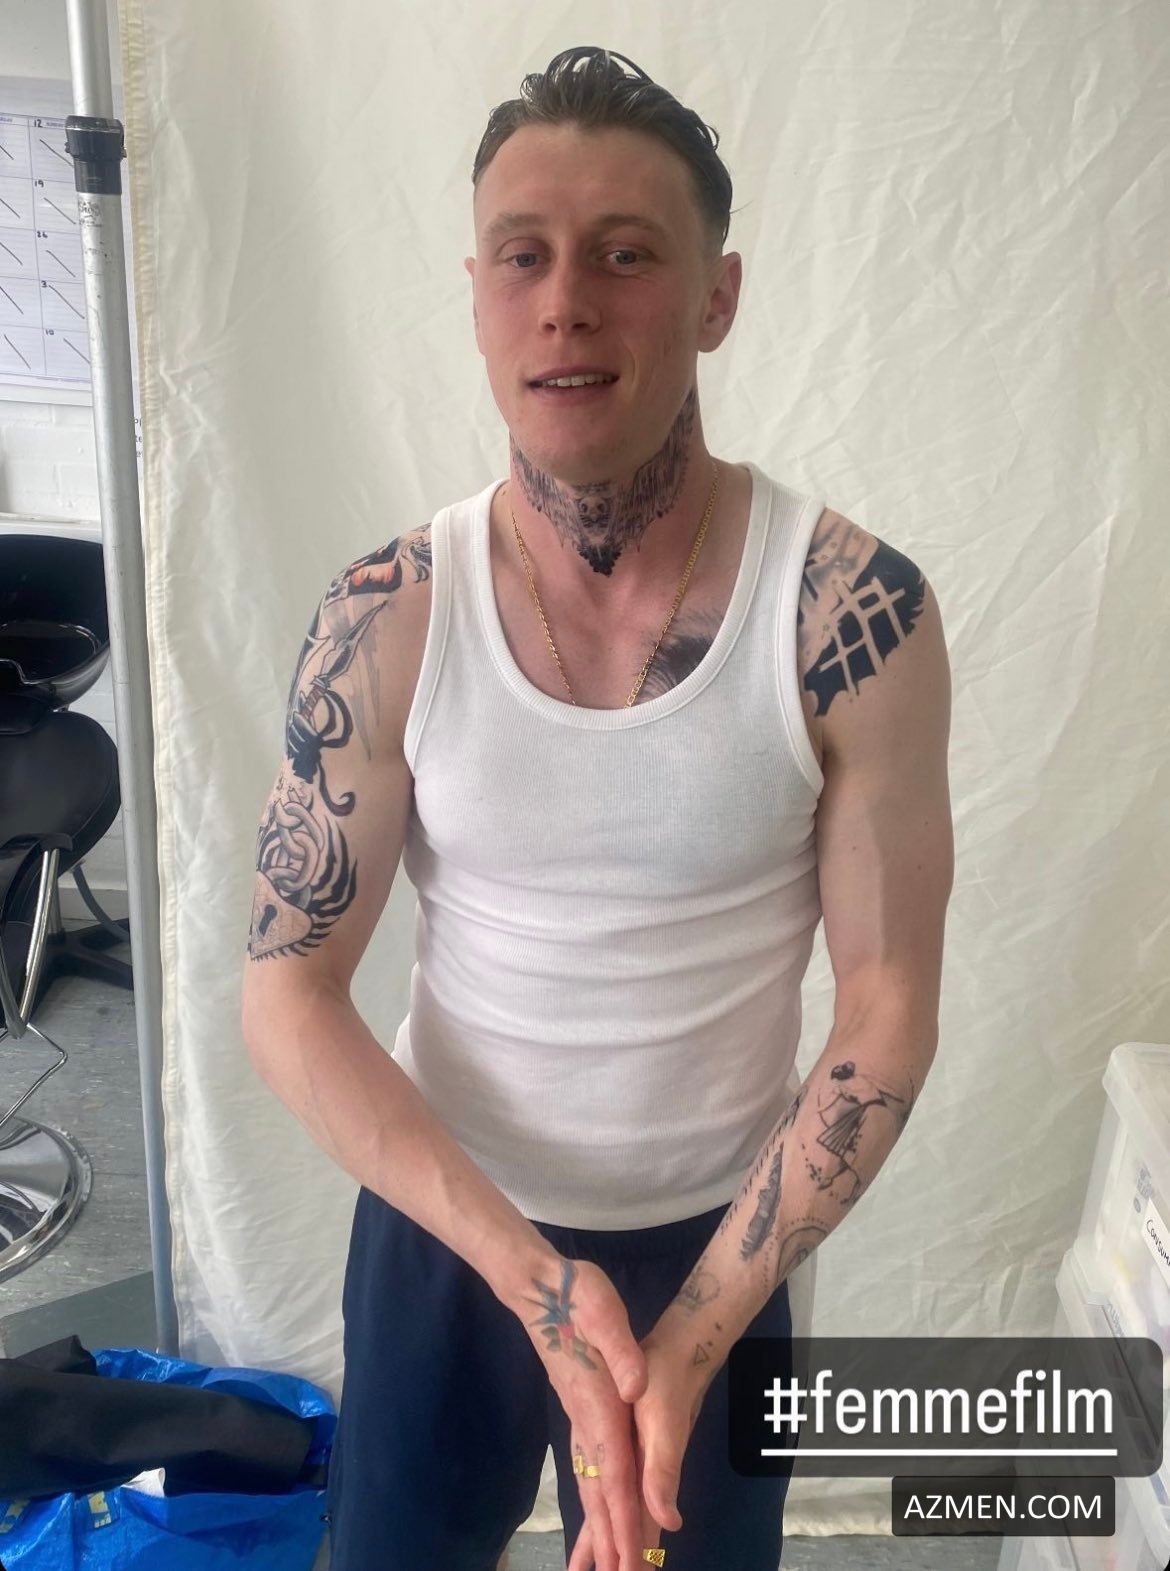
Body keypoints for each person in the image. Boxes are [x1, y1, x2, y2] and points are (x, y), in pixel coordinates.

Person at [240, 44, 954, 1571]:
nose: (565, 301)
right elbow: (287, 992)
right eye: (524, 256)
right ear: (479, 297)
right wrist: (533, 1284)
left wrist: (684, 1340)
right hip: (449, 1228)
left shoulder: (848, 614)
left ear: (715, 297)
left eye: (625, 255)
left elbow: (886, 1004)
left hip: (723, 1246)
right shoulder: (390, 613)